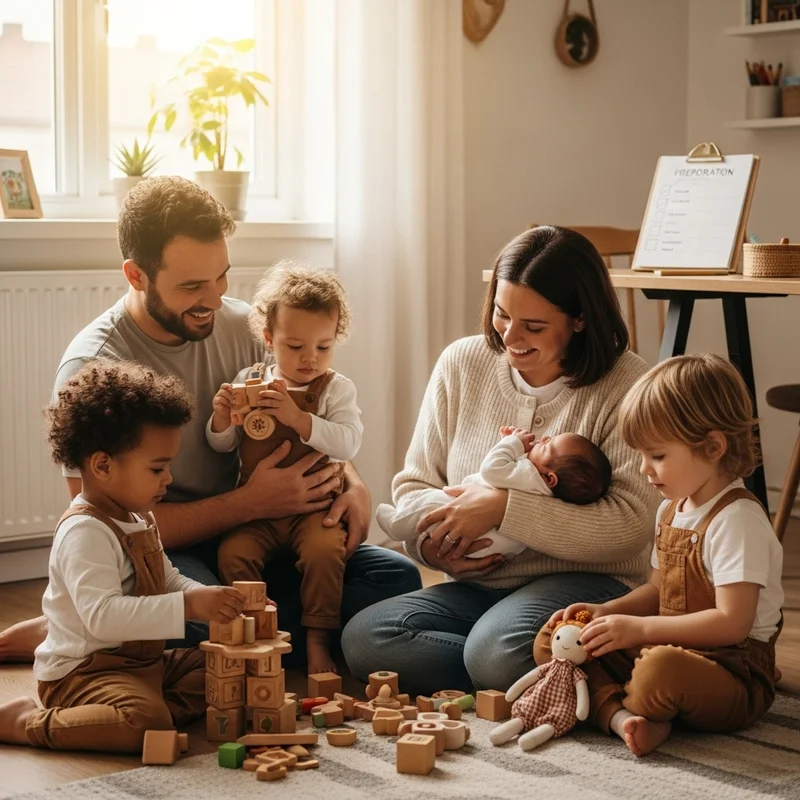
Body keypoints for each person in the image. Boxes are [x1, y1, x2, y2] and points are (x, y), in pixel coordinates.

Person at [0, 176, 421, 667]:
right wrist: (247, 502)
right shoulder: (95, 367)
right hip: (171, 548)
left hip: (264, 528)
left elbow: (304, 412)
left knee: (395, 579)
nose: (215, 299)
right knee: (203, 621)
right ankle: (81, 625)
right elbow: (99, 520)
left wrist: (352, 484)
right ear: (136, 275)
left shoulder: (244, 330)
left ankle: (93, 626)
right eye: (192, 286)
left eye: (220, 276)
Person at [341, 225, 658, 697]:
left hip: (587, 585)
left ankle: (527, 659)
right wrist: (432, 550)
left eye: (533, 326)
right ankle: (560, 666)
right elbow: (414, 484)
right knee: (366, 640)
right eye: (501, 314)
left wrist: (500, 508)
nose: (510, 336)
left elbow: (629, 525)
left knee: (494, 652)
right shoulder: (462, 364)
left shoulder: (628, 382)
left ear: (580, 320)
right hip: (479, 589)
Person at [539, 354, 783, 757]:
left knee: (657, 671)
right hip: (666, 645)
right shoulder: (671, 509)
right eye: (640, 455)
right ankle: (624, 718)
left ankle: (622, 703)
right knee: (557, 638)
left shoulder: (737, 520)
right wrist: (606, 612)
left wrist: (641, 631)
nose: (644, 469)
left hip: (731, 669)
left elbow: (732, 624)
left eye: (657, 455)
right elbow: (657, 592)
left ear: (713, 446)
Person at [0, 361, 246, 751]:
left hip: (140, 666)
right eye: (157, 468)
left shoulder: (138, 517)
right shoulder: (85, 530)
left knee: (228, 668)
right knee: (145, 722)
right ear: (103, 465)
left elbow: (166, 578)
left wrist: (211, 598)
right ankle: (25, 723)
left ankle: (149, 716)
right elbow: (103, 618)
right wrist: (187, 606)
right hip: (83, 674)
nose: (168, 479)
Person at [209, 262, 362, 674]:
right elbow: (224, 446)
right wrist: (222, 420)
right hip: (257, 512)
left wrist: (299, 419)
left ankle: (317, 641)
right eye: (295, 347)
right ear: (268, 338)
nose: (311, 359)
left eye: (324, 347)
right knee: (232, 554)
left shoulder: (334, 388)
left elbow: (348, 441)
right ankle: (257, 633)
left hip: (312, 510)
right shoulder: (250, 380)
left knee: (326, 553)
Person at [377, 427, 612, 559]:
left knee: (433, 503)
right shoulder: (543, 489)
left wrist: (512, 443)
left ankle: (398, 524)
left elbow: (492, 469)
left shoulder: (528, 475)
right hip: (494, 548)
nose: (544, 438)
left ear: (550, 478)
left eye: (547, 446)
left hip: (471, 527)